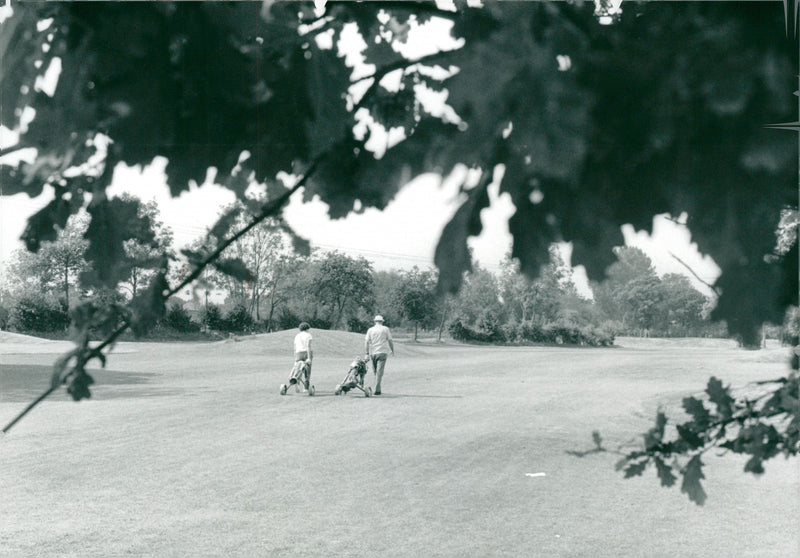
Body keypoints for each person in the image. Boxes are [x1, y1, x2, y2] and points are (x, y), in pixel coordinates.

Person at [364, 315, 394, 395]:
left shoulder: (370, 330)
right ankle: (377, 388)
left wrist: (366, 353)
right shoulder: (385, 329)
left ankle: (378, 388)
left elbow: (366, 342)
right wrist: (392, 349)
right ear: (382, 321)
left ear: (375, 321)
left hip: (373, 352)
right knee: (379, 371)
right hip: (382, 352)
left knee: (375, 371)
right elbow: (390, 340)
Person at [293, 322, 313, 388]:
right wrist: (309, 358)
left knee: (299, 368)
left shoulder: (297, 336)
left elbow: (295, 348)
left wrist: (295, 358)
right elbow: (308, 346)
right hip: (305, 353)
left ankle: (297, 382)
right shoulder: (308, 335)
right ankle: (306, 387)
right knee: (307, 370)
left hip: (298, 353)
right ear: (307, 328)